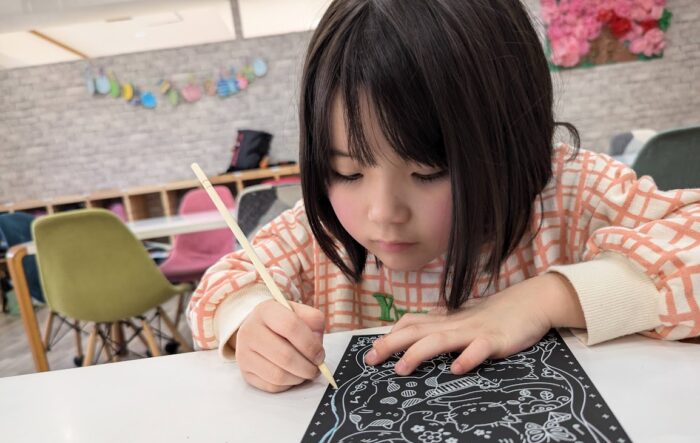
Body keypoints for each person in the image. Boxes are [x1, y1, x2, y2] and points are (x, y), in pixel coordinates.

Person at [188, 0, 700, 393]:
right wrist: (251, 323)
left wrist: (544, 299)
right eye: (347, 171)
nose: (383, 213)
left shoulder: (565, 192)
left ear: (510, 140)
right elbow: (222, 287)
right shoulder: (323, 233)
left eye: (428, 171)